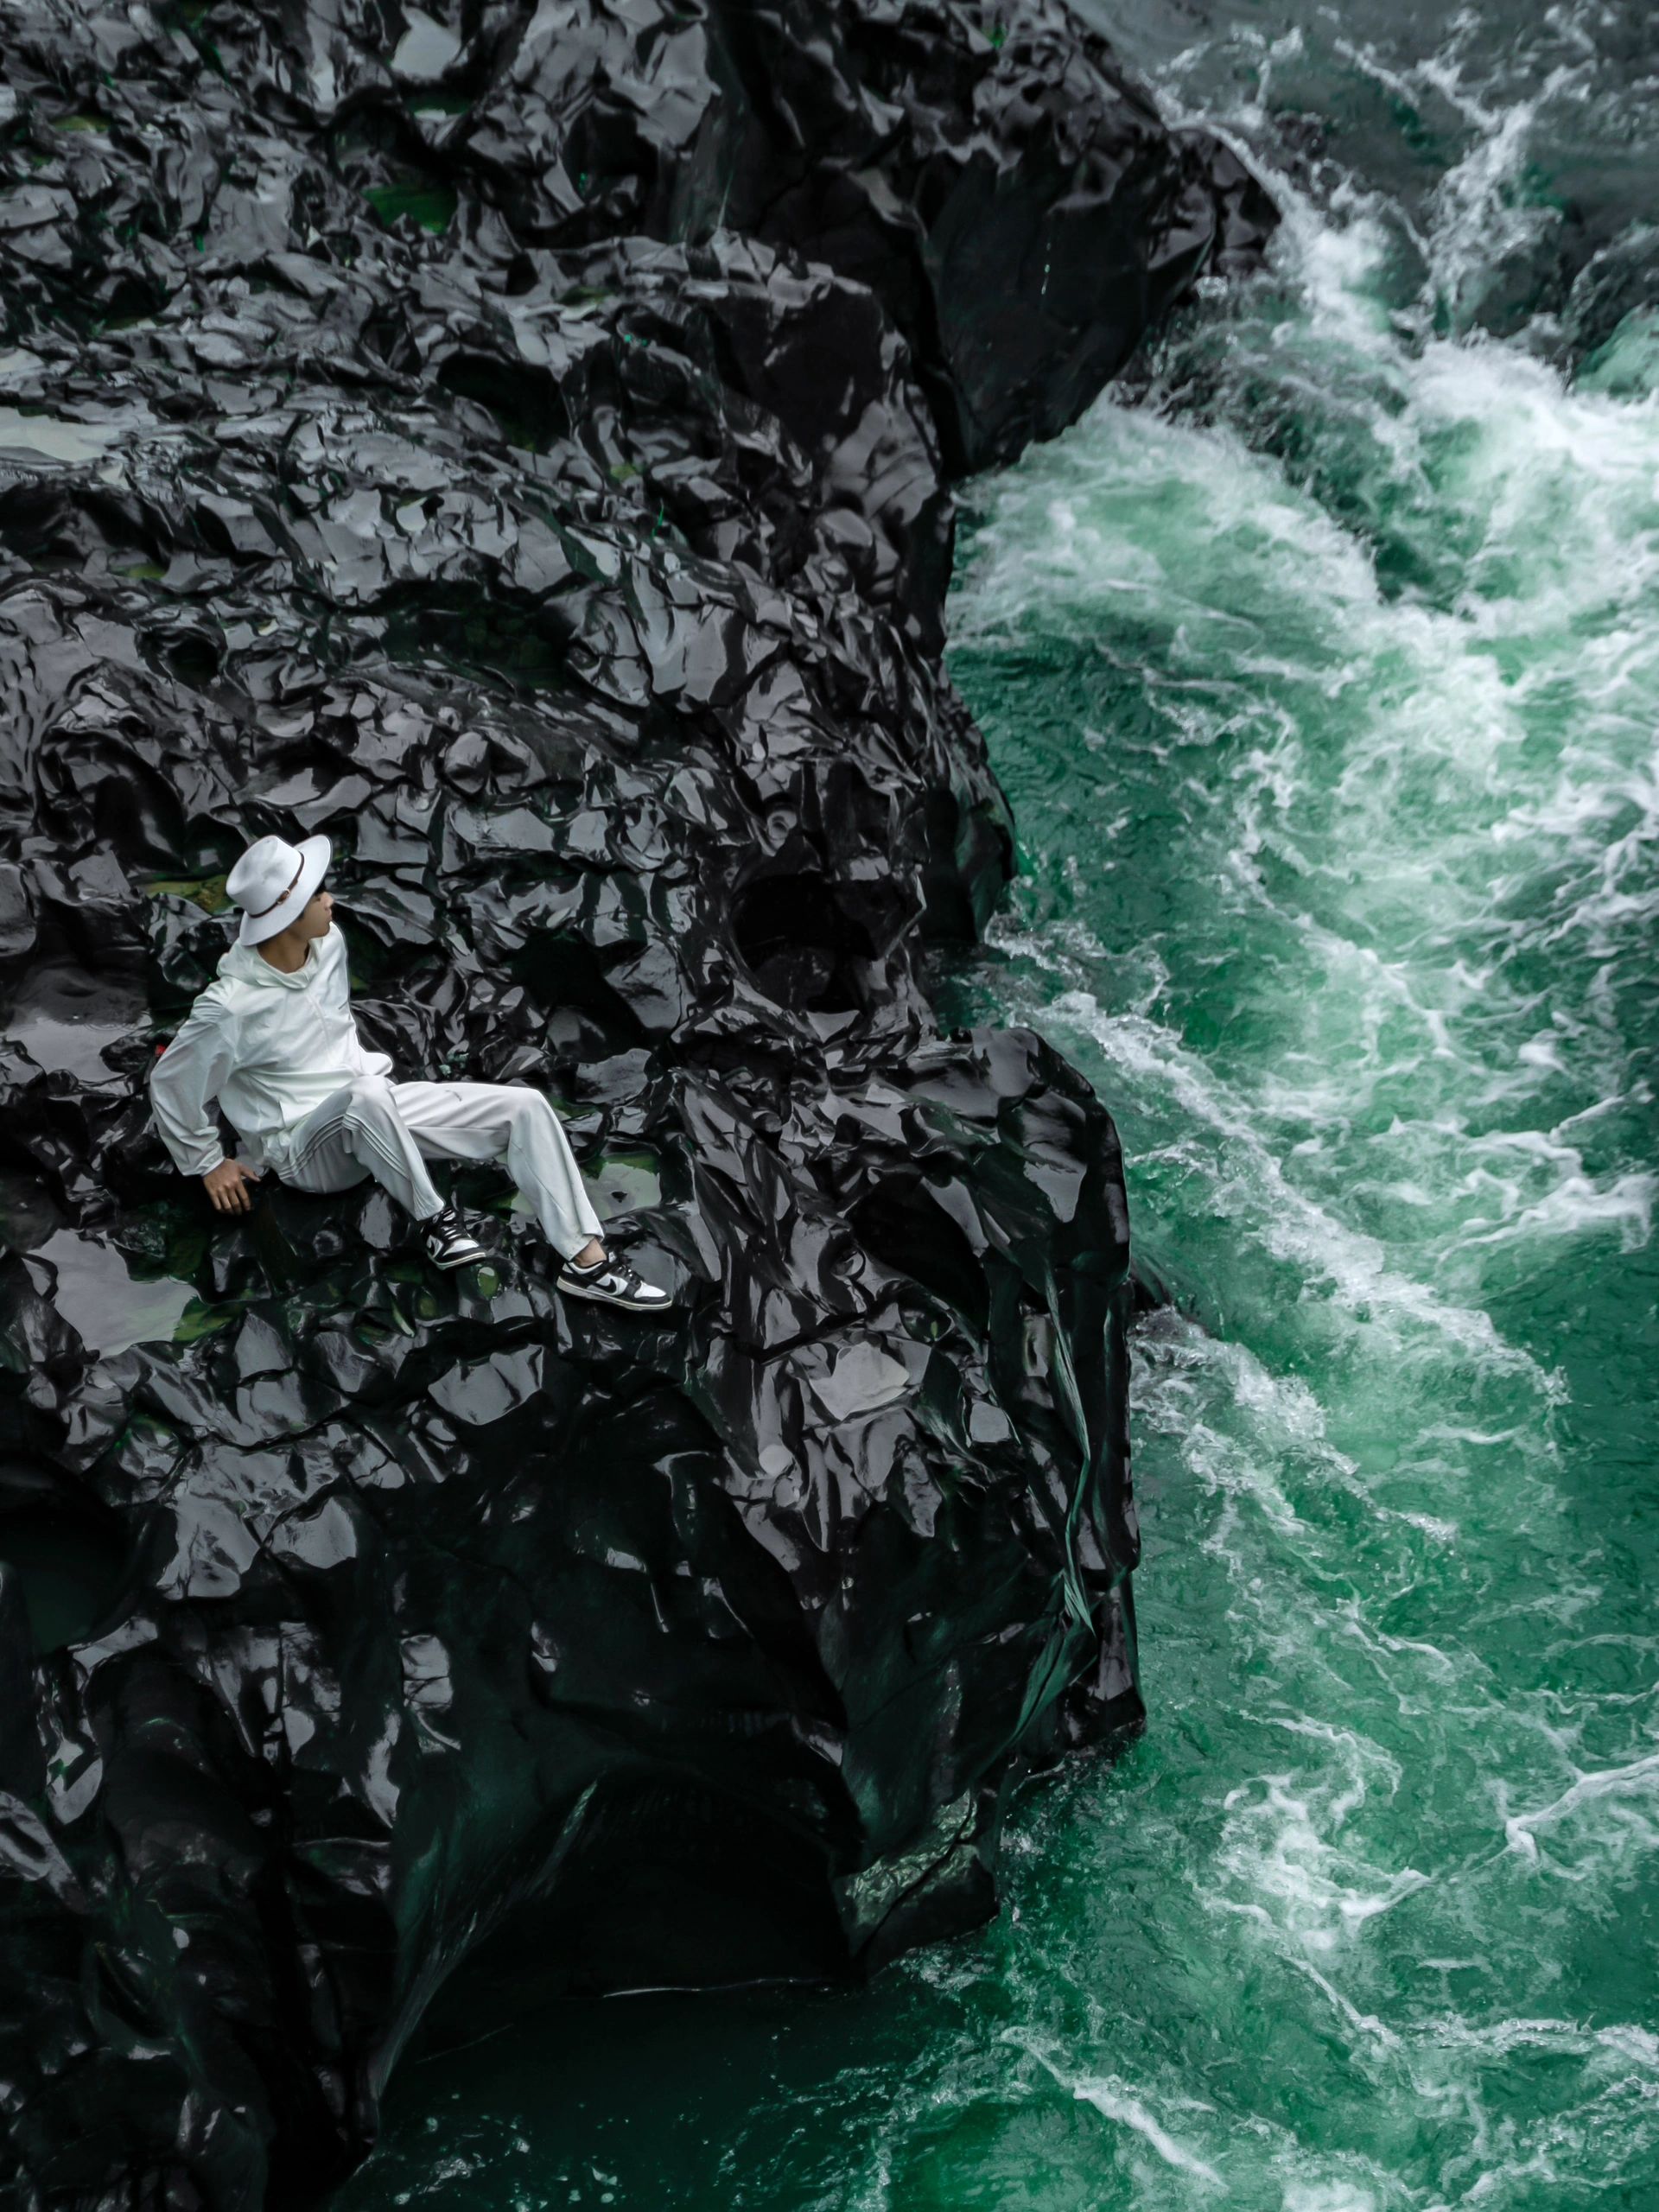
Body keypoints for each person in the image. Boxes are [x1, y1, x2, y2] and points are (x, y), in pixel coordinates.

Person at [149, 832, 671, 1313]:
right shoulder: (231, 1007)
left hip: (380, 1116)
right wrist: (206, 1162)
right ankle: (435, 1222)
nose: (330, 900)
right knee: (366, 1096)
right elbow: (171, 1080)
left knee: (525, 1108)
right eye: (316, 895)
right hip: (306, 1152)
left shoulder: (328, 945)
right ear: (283, 912)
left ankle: (589, 1262)